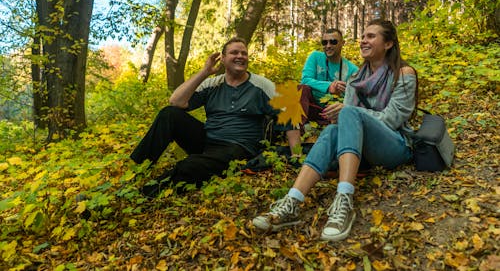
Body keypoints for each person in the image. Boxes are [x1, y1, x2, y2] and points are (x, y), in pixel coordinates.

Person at [252, 19, 417, 242]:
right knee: (331, 131)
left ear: (388, 44)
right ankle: (293, 200)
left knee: (349, 112)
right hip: (364, 150)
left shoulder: (403, 74)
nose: (363, 40)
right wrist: (342, 116)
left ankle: (345, 199)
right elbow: (342, 120)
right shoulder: (355, 78)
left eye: (371, 36)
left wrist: (349, 111)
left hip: (395, 145)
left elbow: (393, 119)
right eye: (363, 36)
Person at [130, 37, 298, 197]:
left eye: (244, 53)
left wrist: (297, 156)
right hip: (208, 141)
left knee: (190, 165)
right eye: (234, 52)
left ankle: (145, 193)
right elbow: (176, 101)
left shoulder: (261, 85)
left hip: (240, 148)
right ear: (223, 59)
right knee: (169, 114)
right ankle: (137, 170)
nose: (240, 56)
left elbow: (290, 115)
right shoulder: (212, 84)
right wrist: (205, 72)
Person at [299, 28, 359, 126]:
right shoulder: (315, 57)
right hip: (312, 106)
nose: (328, 46)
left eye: (333, 42)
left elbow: (356, 97)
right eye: (324, 42)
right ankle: (297, 131)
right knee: (301, 89)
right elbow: (305, 80)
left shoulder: (353, 70)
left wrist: (343, 91)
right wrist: (329, 86)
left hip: (334, 111)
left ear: (342, 43)